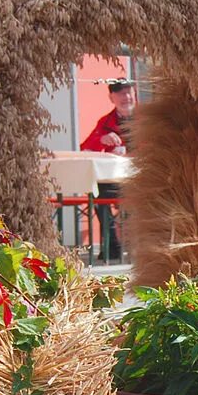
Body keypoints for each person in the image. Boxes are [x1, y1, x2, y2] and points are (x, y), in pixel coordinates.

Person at [80, 80, 138, 260]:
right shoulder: (105, 121)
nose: (126, 97)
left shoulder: (147, 119)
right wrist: (102, 140)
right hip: (115, 179)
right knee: (98, 194)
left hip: (143, 179)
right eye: (121, 93)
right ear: (111, 98)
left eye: (129, 92)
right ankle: (112, 244)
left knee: (134, 200)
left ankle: (134, 247)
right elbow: (85, 148)